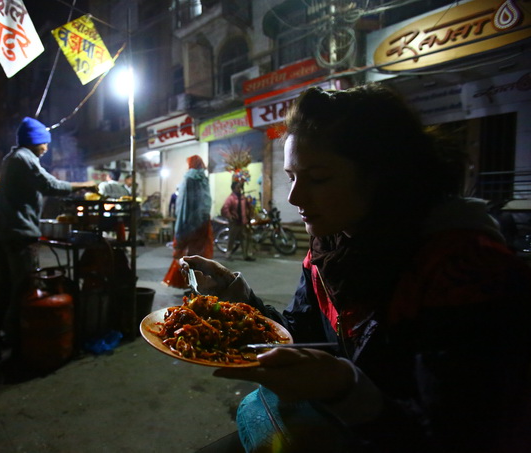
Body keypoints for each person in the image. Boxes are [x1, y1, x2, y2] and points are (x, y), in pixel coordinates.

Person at [183, 84, 531, 452]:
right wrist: (239, 300)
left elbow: (463, 434)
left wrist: (347, 389)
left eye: (317, 178)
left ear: (383, 175)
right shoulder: (329, 248)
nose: (294, 197)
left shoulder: (466, 272)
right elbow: (299, 337)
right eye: (292, 176)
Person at [0, 116, 96, 355]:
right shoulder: (24, 159)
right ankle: (20, 342)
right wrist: (83, 185)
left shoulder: (12, 158)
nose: (47, 147)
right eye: (44, 143)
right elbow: (50, 185)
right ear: (35, 141)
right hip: (18, 234)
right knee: (22, 288)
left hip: (3, 233)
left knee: (3, 287)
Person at [162, 155, 214, 289]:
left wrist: (181, 225)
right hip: (203, 221)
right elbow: (206, 202)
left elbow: (183, 204)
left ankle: (187, 283)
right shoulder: (204, 178)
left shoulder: (188, 178)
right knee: (200, 252)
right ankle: (201, 282)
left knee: (188, 253)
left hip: (189, 222)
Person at [221, 180, 255, 261]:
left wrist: (249, 214)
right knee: (232, 239)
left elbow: (248, 208)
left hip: (243, 222)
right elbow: (225, 208)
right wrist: (230, 216)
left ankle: (246, 255)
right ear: (233, 189)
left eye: (240, 187)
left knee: (244, 238)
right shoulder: (231, 198)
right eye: (237, 187)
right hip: (235, 222)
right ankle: (228, 254)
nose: (239, 189)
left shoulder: (243, 198)